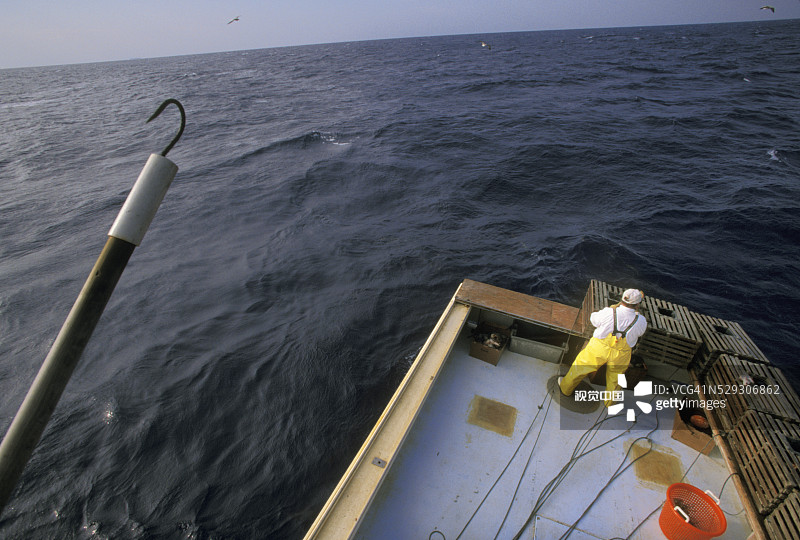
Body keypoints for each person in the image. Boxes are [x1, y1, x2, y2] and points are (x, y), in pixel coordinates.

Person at [558, 288, 648, 406]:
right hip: (621, 354)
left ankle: (565, 389)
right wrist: (636, 315)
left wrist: (611, 310)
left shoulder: (609, 312)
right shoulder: (641, 320)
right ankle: (609, 403)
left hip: (599, 348)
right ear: (637, 305)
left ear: (622, 300)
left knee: (580, 367)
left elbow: (593, 319)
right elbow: (640, 333)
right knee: (615, 379)